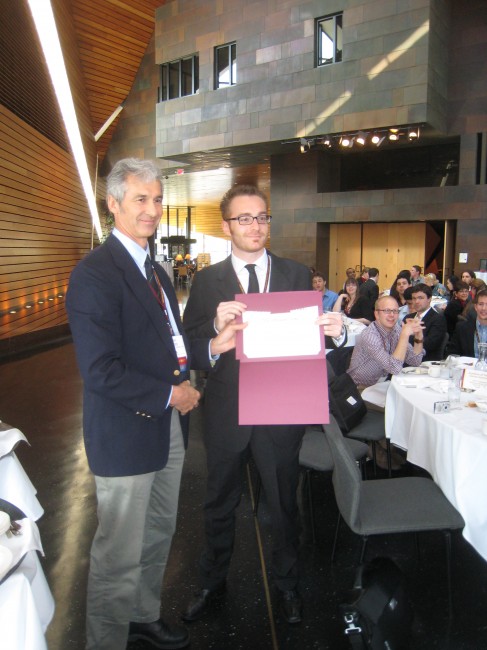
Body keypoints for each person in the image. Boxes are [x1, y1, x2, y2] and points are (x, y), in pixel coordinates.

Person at [66, 158, 243, 650]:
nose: (152, 209)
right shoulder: (95, 274)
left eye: (158, 199)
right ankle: (106, 640)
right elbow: (100, 369)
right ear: (113, 204)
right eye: (140, 199)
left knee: (159, 532)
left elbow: (171, 347)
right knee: (118, 551)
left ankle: (141, 616)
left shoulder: (156, 273)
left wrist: (212, 347)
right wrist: (172, 393)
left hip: (167, 429)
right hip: (126, 434)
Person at [181, 184, 345, 626]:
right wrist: (212, 330)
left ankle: (288, 584)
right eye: (244, 218)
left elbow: (313, 335)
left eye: (261, 217)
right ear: (226, 226)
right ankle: (212, 582)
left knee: (283, 503)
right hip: (226, 411)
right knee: (218, 502)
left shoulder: (296, 273)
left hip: (280, 407)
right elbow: (190, 344)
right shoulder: (207, 280)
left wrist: (337, 332)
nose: (255, 226)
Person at [347, 295, 425, 388]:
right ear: (377, 314)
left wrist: (419, 337)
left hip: (381, 384)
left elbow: (415, 361)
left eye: (395, 311)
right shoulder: (369, 335)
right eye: (387, 311)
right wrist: (404, 336)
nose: (392, 315)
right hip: (359, 388)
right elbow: (394, 368)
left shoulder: (396, 329)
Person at [403, 283, 447, 361]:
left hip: (426, 361)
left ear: (429, 299)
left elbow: (430, 344)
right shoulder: (408, 317)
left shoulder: (438, 319)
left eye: (420, 298)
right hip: (405, 359)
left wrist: (408, 337)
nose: (416, 301)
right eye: (414, 298)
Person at [446, 290, 487, 357]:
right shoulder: (462, 328)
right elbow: (451, 354)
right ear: (476, 307)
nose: (484, 308)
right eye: (481, 304)